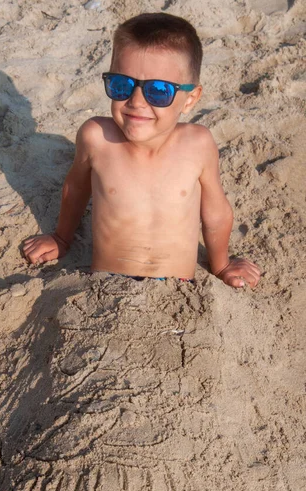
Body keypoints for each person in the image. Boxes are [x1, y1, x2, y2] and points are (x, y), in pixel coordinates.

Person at [23, 13, 261, 288]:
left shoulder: (197, 145)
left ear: (190, 99)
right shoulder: (96, 138)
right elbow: (75, 189)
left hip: (177, 288)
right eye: (121, 85)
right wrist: (61, 238)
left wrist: (221, 265)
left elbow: (216, 213)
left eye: (158, 91)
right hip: (105, 285)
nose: (136, 101)